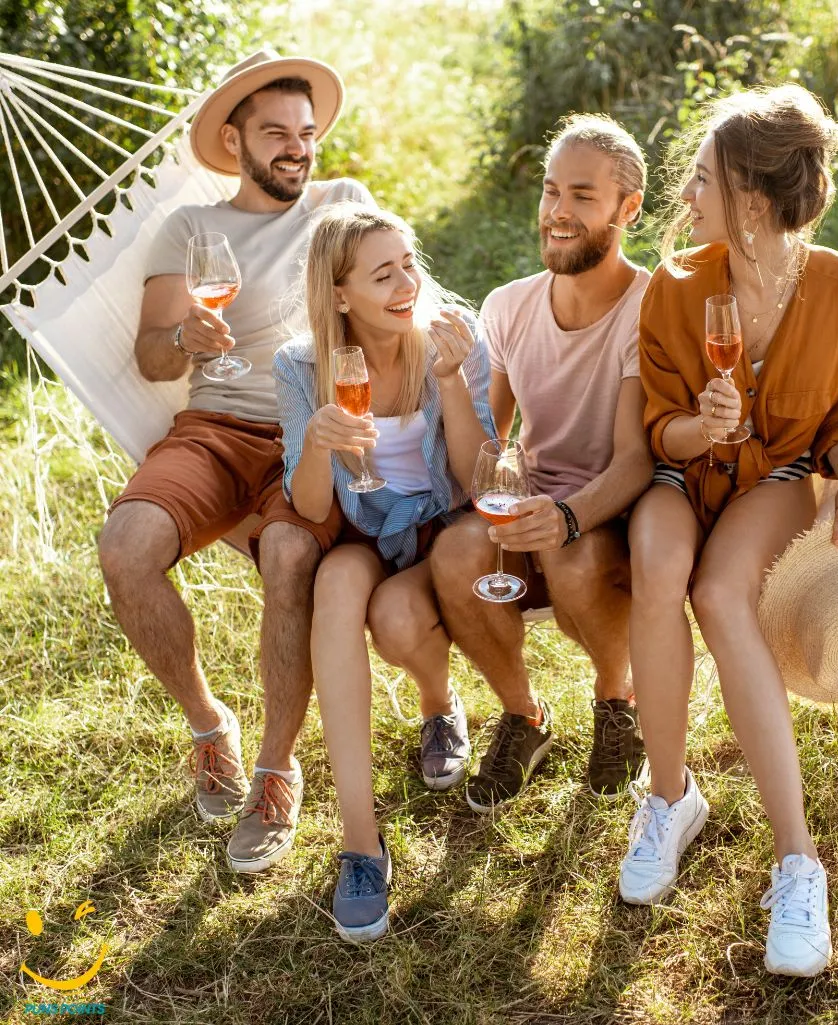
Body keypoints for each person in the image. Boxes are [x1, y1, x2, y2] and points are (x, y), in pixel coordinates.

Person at [619, 84, 838, 978]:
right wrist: (701, 424)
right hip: (678, 472)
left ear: (755, 201)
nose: (685, 197)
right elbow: (659, 428)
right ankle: (669, 798)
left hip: (773, 476)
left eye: (702, 180)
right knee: (658, 571)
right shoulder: (676, 283)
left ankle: (796, 861)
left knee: (720, 593)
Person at [97, 50, 375, 874]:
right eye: (276, 134)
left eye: (307, 133)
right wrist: (183, 336)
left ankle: (274, 769)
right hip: (215, 427)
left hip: (311, 428)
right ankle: (209, 724)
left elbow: (394, 294)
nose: (297, 148)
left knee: (291, 555)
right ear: (235, 140)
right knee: (125, 548)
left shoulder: (343, 205)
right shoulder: (193, 230)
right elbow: (151, 359)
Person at [273, 202, 495, 942]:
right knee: (336, 584)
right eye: (382, 274)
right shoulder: (301, 365)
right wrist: (315, 442)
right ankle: (361, 844)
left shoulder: (452, 336)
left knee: (397, 619)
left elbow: (474, 480)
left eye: (409, 263)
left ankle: (438, 703)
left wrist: (454, 379)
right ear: (340, 295)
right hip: (366, 525)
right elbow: (308, 505)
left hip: (443, 523)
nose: (406, 284)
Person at [430, 114, 654, 810]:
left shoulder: (649, 306)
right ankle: (524, 715)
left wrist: (562, 517)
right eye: (551, 191)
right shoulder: (508, 305)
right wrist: (446, 382)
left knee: (573, 558)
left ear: (627, 208)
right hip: (534, 500)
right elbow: (486, 457)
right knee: (453, 555)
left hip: (610, 508)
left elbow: (634, 460)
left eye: (582, 196)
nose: (557, 212)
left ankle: (617, 702)